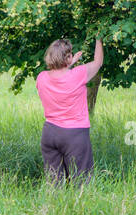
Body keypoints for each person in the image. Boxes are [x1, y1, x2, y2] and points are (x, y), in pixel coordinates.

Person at [35, 36, 103, 184]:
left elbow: (59, 74)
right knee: (81, 182)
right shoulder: (78, 74)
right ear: (68, 57)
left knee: (54, 182)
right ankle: (79, 207)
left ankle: (53, 207)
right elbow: (98, 62)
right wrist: (99, 38)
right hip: (74, 135)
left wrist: (68, 63)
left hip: (49, 133)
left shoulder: (41, 77)